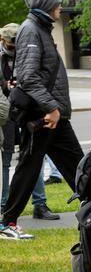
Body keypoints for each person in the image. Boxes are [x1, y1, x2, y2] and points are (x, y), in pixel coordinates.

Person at [0, 0, 84, 241]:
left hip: (53, 115)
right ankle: (7, 223)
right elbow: (28, 77)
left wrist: (56, 110)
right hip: (43, 115)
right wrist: (52, 108)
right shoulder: (31, 30)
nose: (60, 8)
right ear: (46, 5)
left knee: (78, 166)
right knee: (28, 168)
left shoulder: (41, 29)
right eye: (57, 4)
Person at [1, 23, 54, 228]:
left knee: (33, 157)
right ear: (3, 41)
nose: (14, 47)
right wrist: (6, 86)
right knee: (7, 161)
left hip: (27, 111)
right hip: (6, 112)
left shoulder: (28, 52)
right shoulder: (2, 58)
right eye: (11, 44)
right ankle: (5, 206)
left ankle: (39, 204)